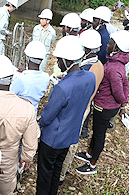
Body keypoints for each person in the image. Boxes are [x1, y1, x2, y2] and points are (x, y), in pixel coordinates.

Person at [36, 36, 95, 195]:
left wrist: (38, 124)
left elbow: (48, 116)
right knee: (56, 171)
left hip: (52, 139)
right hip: (69, 135)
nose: (57, 63)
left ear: (68, 61)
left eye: (59, 60)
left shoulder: (62, 88)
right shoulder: (90, 78)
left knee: (44, 175)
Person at [0, 55, 40, 195]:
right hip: (8, 164)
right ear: (11, 79)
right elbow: (31, 141)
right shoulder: (26, 107)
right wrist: (26, 157)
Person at [75, 30, 129, 175]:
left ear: (117, 48)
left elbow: (118, 91)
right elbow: (125, 83)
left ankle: (92, 164)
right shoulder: (117, 63)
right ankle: (89, 153)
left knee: (99, 134)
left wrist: (122, 103)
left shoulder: (114, 68)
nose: (108, 45)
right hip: (104, 104)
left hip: (105, 106)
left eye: (111, 43)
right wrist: (123, 102)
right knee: (96, 132)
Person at [59, 30, 104, 184]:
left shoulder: (88, 69)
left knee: (70, 141)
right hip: (86, 106)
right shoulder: (99, 65)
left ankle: (61, 173)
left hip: (78, 109)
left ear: (85, 50)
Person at [10, 41, 50, 118]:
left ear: (27, 58)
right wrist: (25, 71)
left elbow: (9, 95)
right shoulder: (46, 78)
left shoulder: (20, 80)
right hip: (32, 116)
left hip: (19, 117)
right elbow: (33, 78)